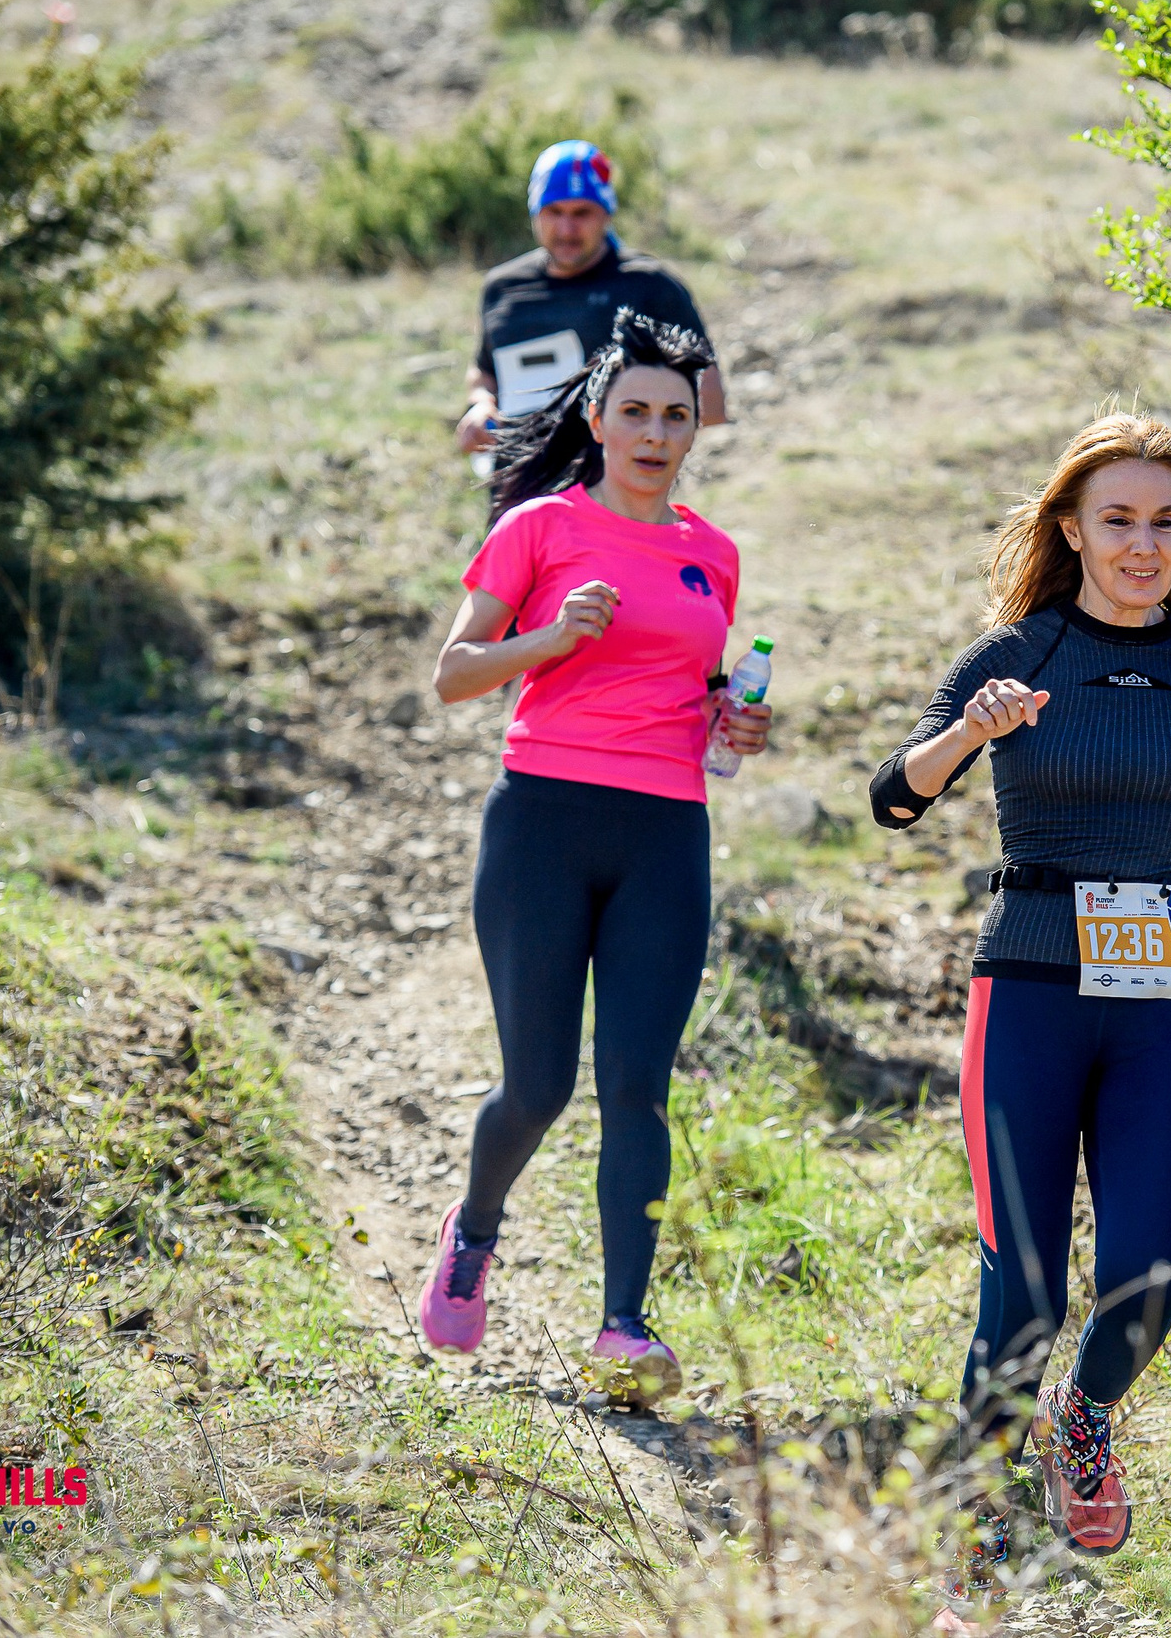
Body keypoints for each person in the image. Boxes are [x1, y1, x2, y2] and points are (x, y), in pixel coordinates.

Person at [868, 414, 1171, 1626]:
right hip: (1032, 992)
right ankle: (965, 1540)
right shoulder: (1023, 648)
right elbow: (894, 797)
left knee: (1151, 1278)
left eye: (1165, 521)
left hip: (1160, 1002)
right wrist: (969, 733)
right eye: (1118, 520)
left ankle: (1082, 1416)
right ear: (1070, 529)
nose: (1143, 545)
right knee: (1025, 1294)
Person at [420, 310, 768, 1405]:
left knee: (636, 1084)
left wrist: (737, 725)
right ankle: (474, 1231)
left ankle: (624, 1324)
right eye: (635, 412)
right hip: (544, 822)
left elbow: (700, 696)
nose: (656, 432)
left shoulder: (713, 553)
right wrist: (550, 639)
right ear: (595, 417)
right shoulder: (538, 526)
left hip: (666, 829)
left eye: (675, 414)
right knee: (539, 1084)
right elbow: (454, 673)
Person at [455, 140, 726, 460]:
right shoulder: (502, 288)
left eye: (582, 213)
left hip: (613, 490)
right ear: (534, 212)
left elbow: (711, 403)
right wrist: (482, 404)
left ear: (606, 214)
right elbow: (485, 369)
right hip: (518, 486)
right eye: (554, 212)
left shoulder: (649, 286)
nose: (567, 228)